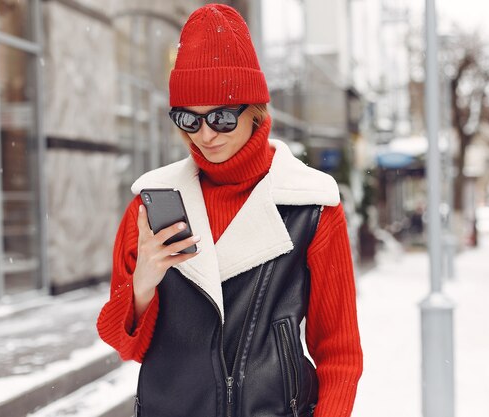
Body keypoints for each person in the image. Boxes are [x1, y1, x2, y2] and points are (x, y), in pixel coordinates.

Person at [96, 4, 363, 417]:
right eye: (188, 118)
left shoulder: (311, 203)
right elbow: (124, 344)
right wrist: (142, 286)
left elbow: (339, 352)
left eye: (221, 117)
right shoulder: (150, 203)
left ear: (254, 110)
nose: (204, 135)